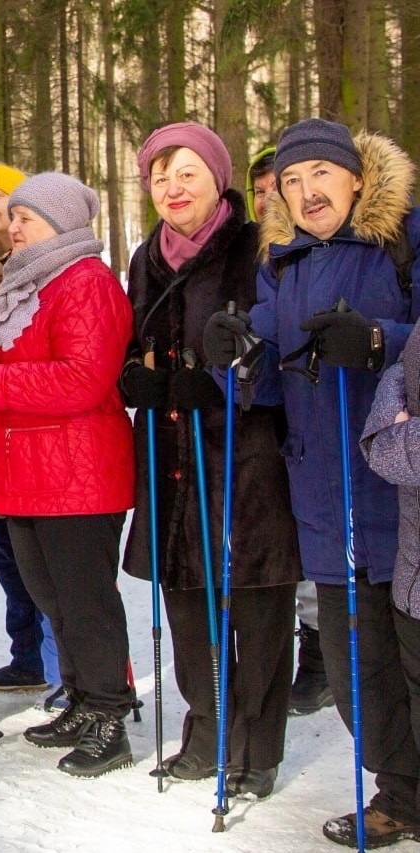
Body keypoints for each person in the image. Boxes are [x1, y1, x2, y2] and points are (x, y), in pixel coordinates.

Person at [205, 118, 420, 848]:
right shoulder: (284, 265)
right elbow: (258, 373)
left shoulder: (400, 246)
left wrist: (376, 340)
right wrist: (233, 354)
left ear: (358, 177)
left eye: (321, 174)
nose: (306, 190)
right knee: (359, 669)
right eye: (292, 182)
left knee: (414, 657)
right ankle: (400, 793)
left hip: (401, 488)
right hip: (326, 496)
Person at [120, 123, 302, 799]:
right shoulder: (146, 258)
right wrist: (130, 377)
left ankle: (256, 748)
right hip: (169, 449)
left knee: (254, 606)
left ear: (217, 178)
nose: (174, 187)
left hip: (245, 452)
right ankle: (206, 734)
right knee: (188, 599)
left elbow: (278, 349)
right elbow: (131, 336)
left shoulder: (257, 248)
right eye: (161, 175)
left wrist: (227, 379)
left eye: (188, 172)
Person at [0, 172, 135, 777]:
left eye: (27, 217)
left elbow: (84, 379)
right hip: (28, 471)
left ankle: (109, 713)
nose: (13, 224)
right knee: (54, 599)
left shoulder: (87, 283)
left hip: (78, 474)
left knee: (86, 603)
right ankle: (81, 699)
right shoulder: (27, 283)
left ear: (61, 223)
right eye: (14, 214)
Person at [249, 143, 333, 717]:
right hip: (271, 425)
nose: (269, 199)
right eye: (263, 190)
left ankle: (324, 652)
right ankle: (314, 644)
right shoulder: (262, 255)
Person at [0, 161, 54, 694]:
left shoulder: (39, 260)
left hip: (35, 425)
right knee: (8, 554)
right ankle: (27, 655)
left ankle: (58, 660)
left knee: (45, 560)